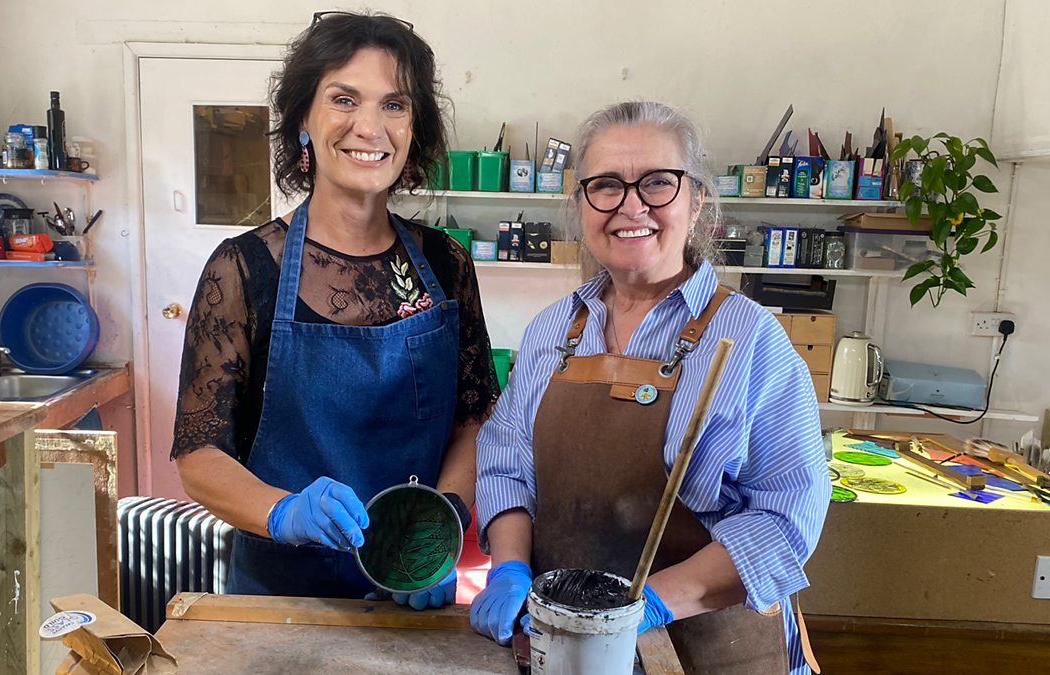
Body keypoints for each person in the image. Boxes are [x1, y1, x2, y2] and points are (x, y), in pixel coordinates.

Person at [470, 101, 829, 674]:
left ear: (697, 200)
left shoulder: (750, 340)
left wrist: (649, 604)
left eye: (658, 182)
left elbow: (784, 520)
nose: (631, 205)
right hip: (568, 648)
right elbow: (505, 466)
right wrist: (510, 566)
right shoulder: (551, 332)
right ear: (581, 203)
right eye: (606, 185)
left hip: (710, 652)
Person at [171, 11, 497, 611]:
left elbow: (475, 421)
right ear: (303, 119)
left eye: (394, 105)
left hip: (408, 594)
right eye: (344, 99)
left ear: (414, 128)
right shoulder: (243, 269)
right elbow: (199, 454)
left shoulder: (446, 263)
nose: (369, 127)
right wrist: (283, 511)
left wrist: (438, 528)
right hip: (281, 599)